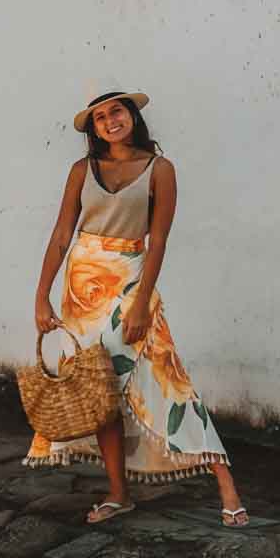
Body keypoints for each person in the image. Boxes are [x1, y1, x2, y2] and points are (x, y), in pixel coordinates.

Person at [25, 90, 248, 526]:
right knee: (99, 389)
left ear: (132, 116)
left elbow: (159, 239)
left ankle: (226, 485)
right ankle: (117, 493)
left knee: (168, 379)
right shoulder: (80, 171)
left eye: (117, 111)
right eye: (101, 117)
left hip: (131, 281)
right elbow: (60, 235)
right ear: (94, 129)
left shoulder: (160, 170)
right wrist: (41, 295)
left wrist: (143, 301)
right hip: (81, 292)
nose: (111, 120)